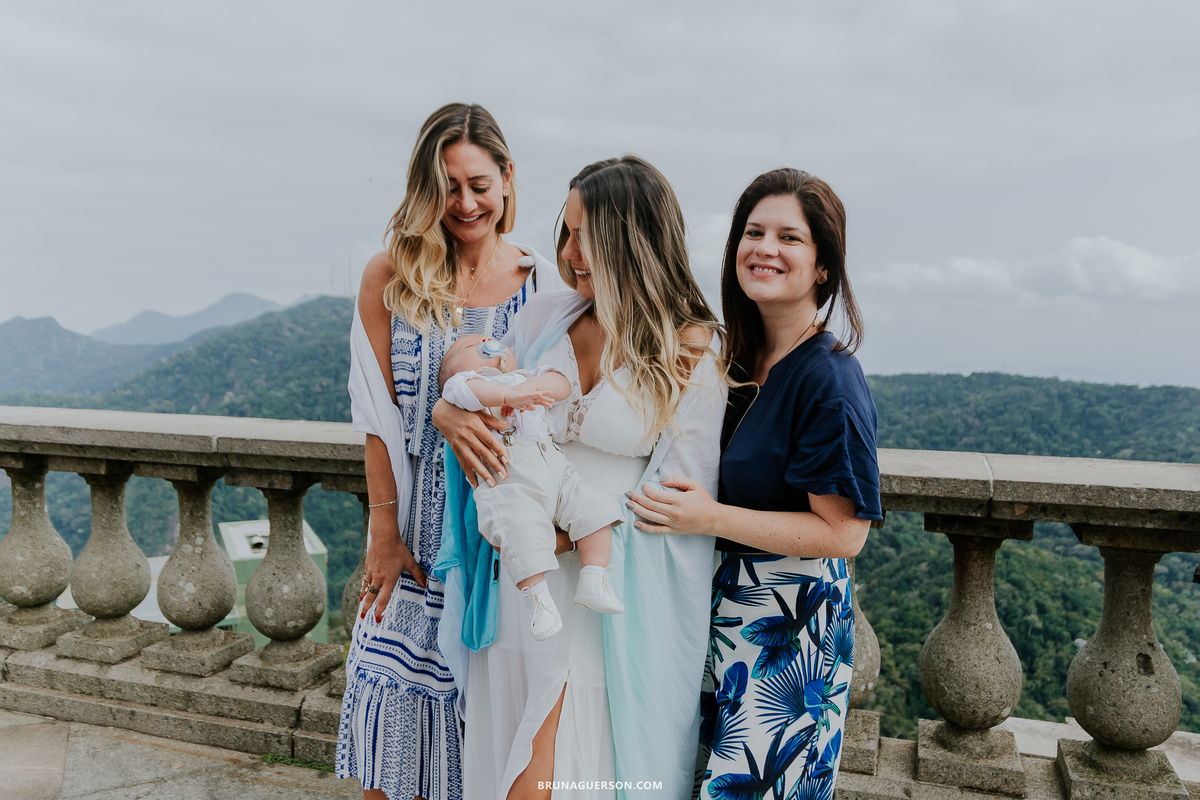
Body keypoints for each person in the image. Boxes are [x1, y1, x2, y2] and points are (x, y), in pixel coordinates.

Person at [433, 155, 726, 800]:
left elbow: (681, 499)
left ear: (634, 240)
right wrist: (446, 412)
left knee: (563, 775)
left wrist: (562, 540)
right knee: (510, 755)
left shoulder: (693, 350)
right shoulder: (547, 317)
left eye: (584, 236)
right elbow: (485, 389)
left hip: (608, 589)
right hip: (523, 584)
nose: (568, 252)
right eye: (564, 232)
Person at [627, 169, 882, 799]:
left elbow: (844, 534)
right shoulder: (733, 360)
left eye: (789, 237)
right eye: (753, 231)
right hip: (717, 620)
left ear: (823, 266)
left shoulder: (828, 378)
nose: (765, 248)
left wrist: (710, 518)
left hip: (789, 634)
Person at [336, 102, 566, 800]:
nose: (465, 203)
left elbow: (553, 412)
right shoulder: (391, 275)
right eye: (447, 187)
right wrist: (381, 532)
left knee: (479, 748)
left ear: (507, 178)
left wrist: (457, 405)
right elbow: (376, 411)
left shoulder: (542, 289)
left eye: (479, 184)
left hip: (492, 547)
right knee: (387, 752)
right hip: (410, 538)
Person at [437, 333, 624, 641]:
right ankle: (539, 601)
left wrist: (525, 388)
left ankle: (594, 577)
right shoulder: (463, 386)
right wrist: (507, 397)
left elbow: (562, 384)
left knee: (596, 509)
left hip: (555, 466)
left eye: (490, 339)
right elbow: (469, 390)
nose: (486, 340)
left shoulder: (527, 376)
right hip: (508, 476)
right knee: (519, 532)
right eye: (471, 345)